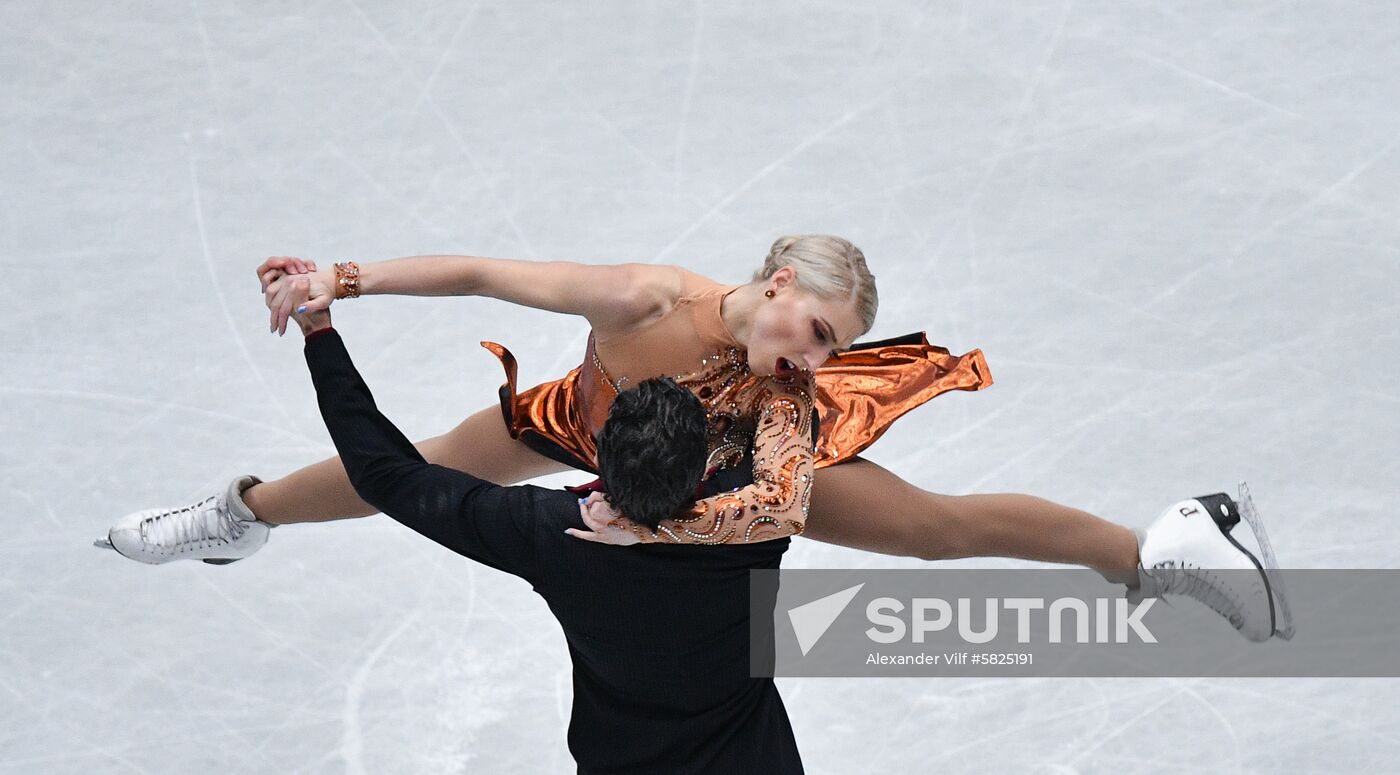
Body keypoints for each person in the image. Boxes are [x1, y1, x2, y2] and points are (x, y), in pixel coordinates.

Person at [100, 235, 1290, 641]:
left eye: (834, 347)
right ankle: (236, 515)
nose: (814, 359)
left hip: (717, 480)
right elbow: (475, 268)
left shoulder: (785, 398)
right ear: (773, 284)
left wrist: (682, 514)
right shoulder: (644, 300)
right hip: (581, 429)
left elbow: (774, 499)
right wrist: (343, 280)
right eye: (814, 329)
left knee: (931, 530)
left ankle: (1156, 552)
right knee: (394, 476)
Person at [284, 291, 805, 773]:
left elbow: (383, 474)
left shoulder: (554, 533)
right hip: (756, 760)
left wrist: (320, 337)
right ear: (702, 467)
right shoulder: (751, 527)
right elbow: (788, 441)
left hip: (621, 763)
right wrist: (787, 367)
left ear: (597, 451)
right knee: (867, 625)